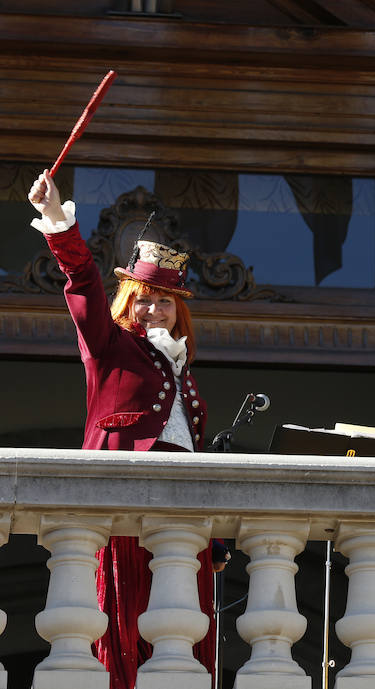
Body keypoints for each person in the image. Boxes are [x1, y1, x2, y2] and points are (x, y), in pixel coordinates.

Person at [27, 170, 225, 689]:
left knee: (181, 639)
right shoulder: (108, 346)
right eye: (144, 298)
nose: (153, 308)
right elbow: (83, 281)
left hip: (185, 520)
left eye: (165, 301)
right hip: (123, 505)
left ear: (179, 311)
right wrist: (56, 220)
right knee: (120, 630)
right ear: (128, 301)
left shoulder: (181, 369)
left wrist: (217, 536)